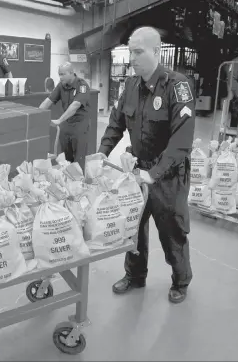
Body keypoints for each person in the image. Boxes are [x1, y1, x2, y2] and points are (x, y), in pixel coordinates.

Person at [98, 27, 195, 304]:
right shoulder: (129, 85)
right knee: (134, 229)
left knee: (172, 233)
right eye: (130, 51)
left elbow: (181, 142)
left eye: (138, 52)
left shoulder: (177, 87)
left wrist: (154, 174)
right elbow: (116, 122)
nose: (132, 58)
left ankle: (181, 280)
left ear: (156, 51)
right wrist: (102, 153)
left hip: (167, 177)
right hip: (137, 172)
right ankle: (135, 275)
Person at [39, 62, 91, 170]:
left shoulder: (82, 85)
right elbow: (48, 101)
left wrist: (59, 120)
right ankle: (68, 184)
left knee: (78, 160)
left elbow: (75, 105)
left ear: (71, 73)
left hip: (79, 126)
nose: (60, 77)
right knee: (65, 160)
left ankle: (79, 184)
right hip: (66, 125)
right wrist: (35, 115)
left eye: (63, 74)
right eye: (59, 74)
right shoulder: (61, 85)